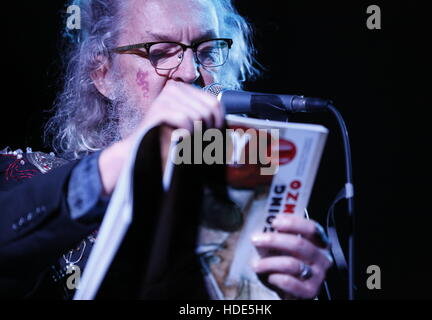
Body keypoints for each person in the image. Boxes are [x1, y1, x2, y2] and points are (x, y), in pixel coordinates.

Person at [0, 0, 332, 299]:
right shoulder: (29, 175)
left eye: (206, 50)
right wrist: (135, 153)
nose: (190, 73)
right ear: (103, 76)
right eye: (160, 52)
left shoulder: (256, 198)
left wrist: (290, 296)